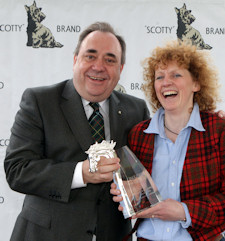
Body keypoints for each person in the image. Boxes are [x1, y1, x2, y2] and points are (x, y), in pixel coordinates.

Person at [4, 22, 150, 241]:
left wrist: (139, 185)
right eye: (90, 56)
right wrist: (81, 172)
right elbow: (18, 170)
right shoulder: (40, 101)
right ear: (75, 60)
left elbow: (145, 171)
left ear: (120, 69)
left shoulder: (136, 109)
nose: (99, 66)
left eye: (110, 60)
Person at [111, 40, 225, 241]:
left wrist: (184, 211)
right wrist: (124, 192)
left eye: (176, 75)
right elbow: (133, 192)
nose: (166, 82)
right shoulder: (139, 135)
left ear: (196, 83)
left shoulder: (221, 130)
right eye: (160, 77)